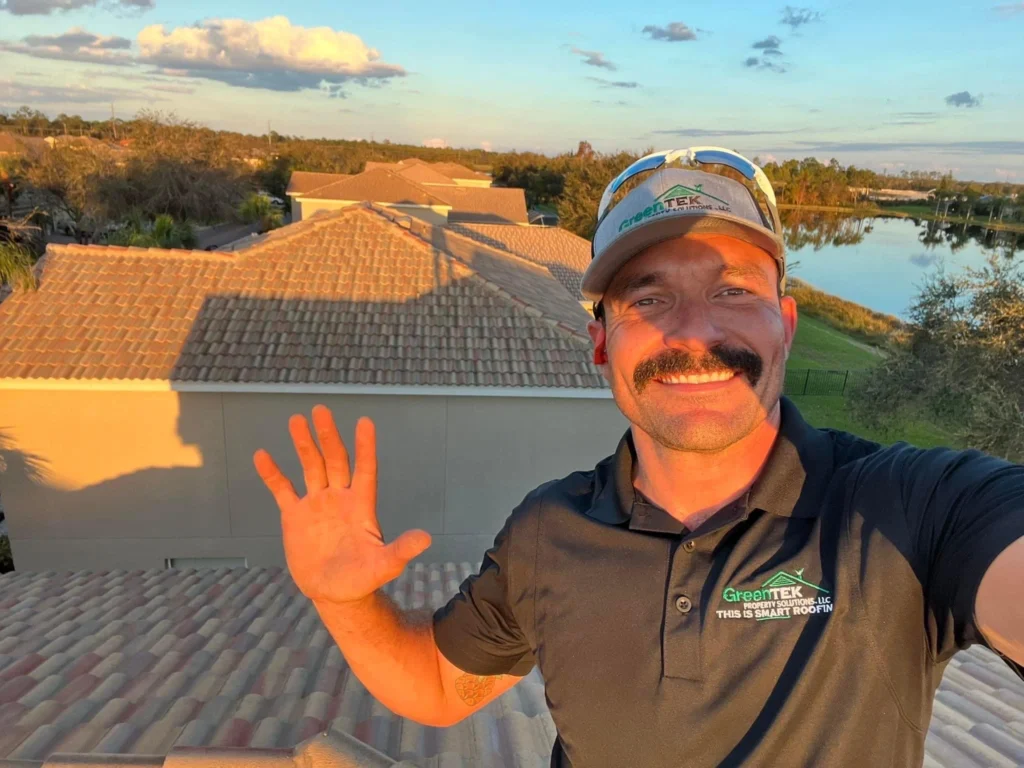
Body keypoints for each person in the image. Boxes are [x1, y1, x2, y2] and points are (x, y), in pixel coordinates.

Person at [253, 148, 1024, 767]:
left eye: (732, 291)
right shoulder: (549, 529)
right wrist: (343, 601)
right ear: (600, 342)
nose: (692, 333)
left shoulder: (916, 505)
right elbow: (438, 687)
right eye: (648, 300)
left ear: (784, 322)